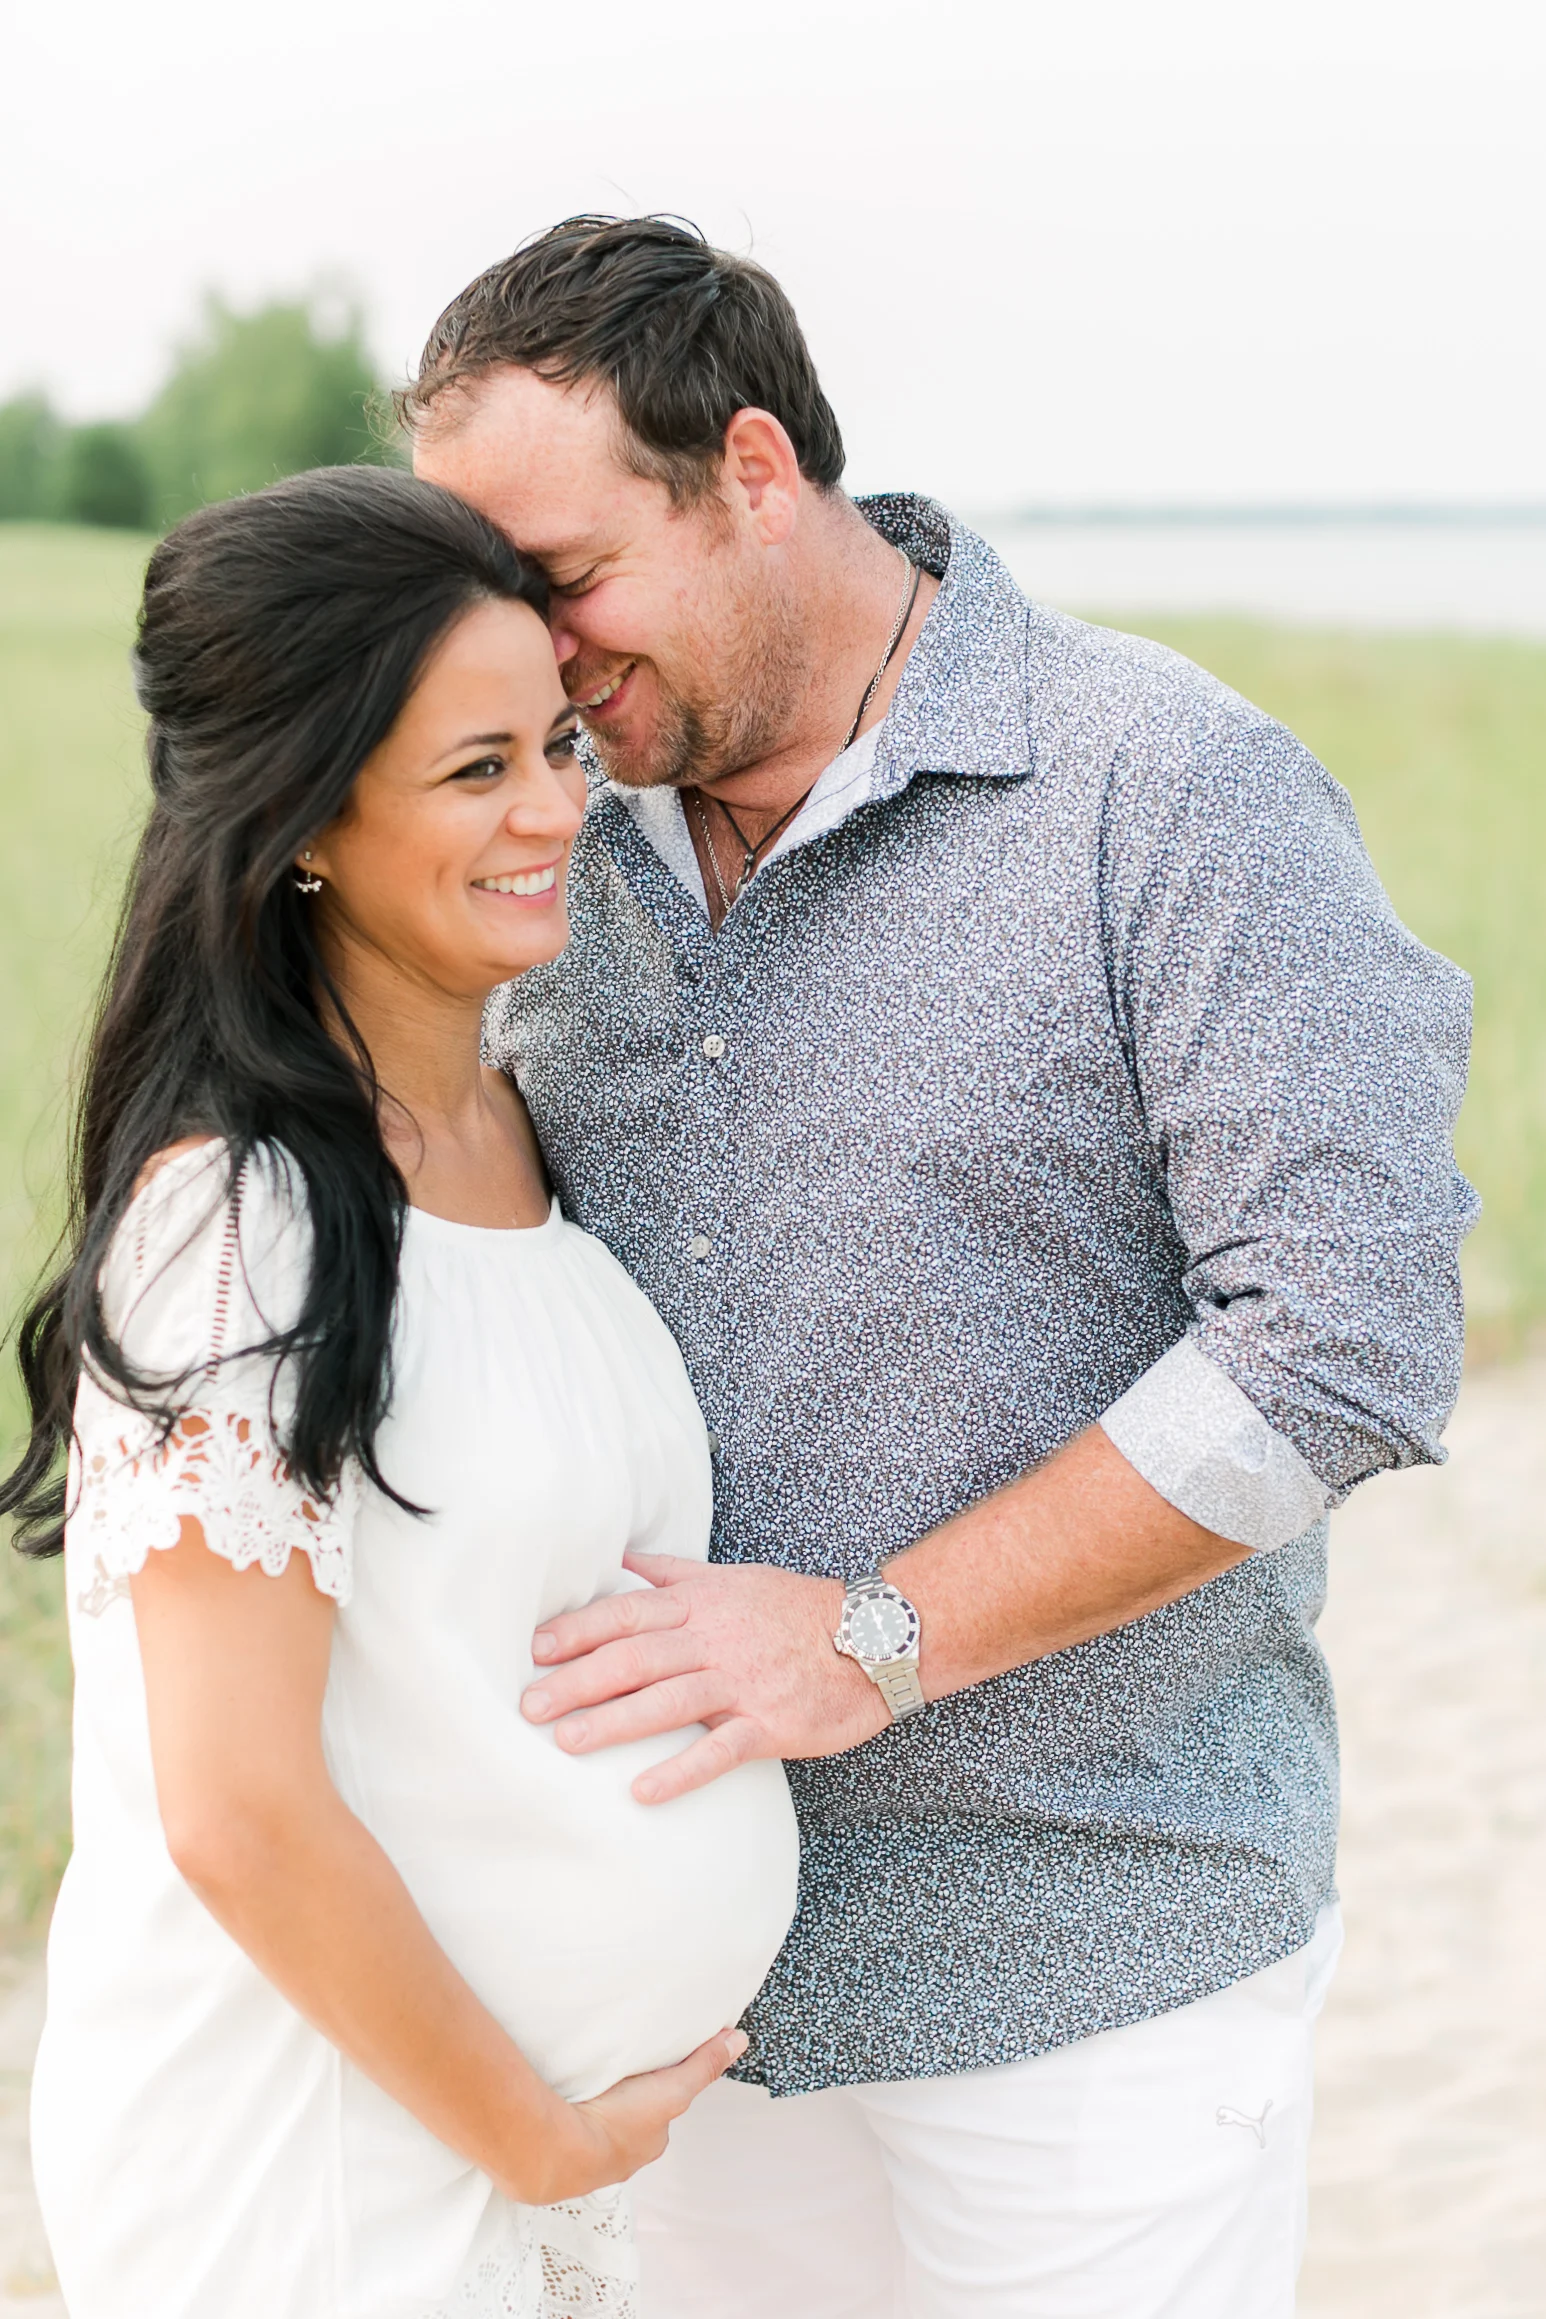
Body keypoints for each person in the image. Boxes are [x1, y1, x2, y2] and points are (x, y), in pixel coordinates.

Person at [401, 216, 1480, 2318]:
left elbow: (1334, 1346)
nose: (531, 655)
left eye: (564, 577)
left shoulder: (1169, 792)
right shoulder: (545, 831)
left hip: (1091, 1961)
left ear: (750, 470)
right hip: (674, 1970)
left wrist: (875, 1635)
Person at [2, 465, 798, 2319]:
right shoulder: (240, 1225)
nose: (552, 812)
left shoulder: (511, 1121)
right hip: (326, 2169)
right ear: (301, 820)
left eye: (553, 744)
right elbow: (238, 1811)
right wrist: (531, 2133)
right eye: (473, 771)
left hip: (511, 2160)